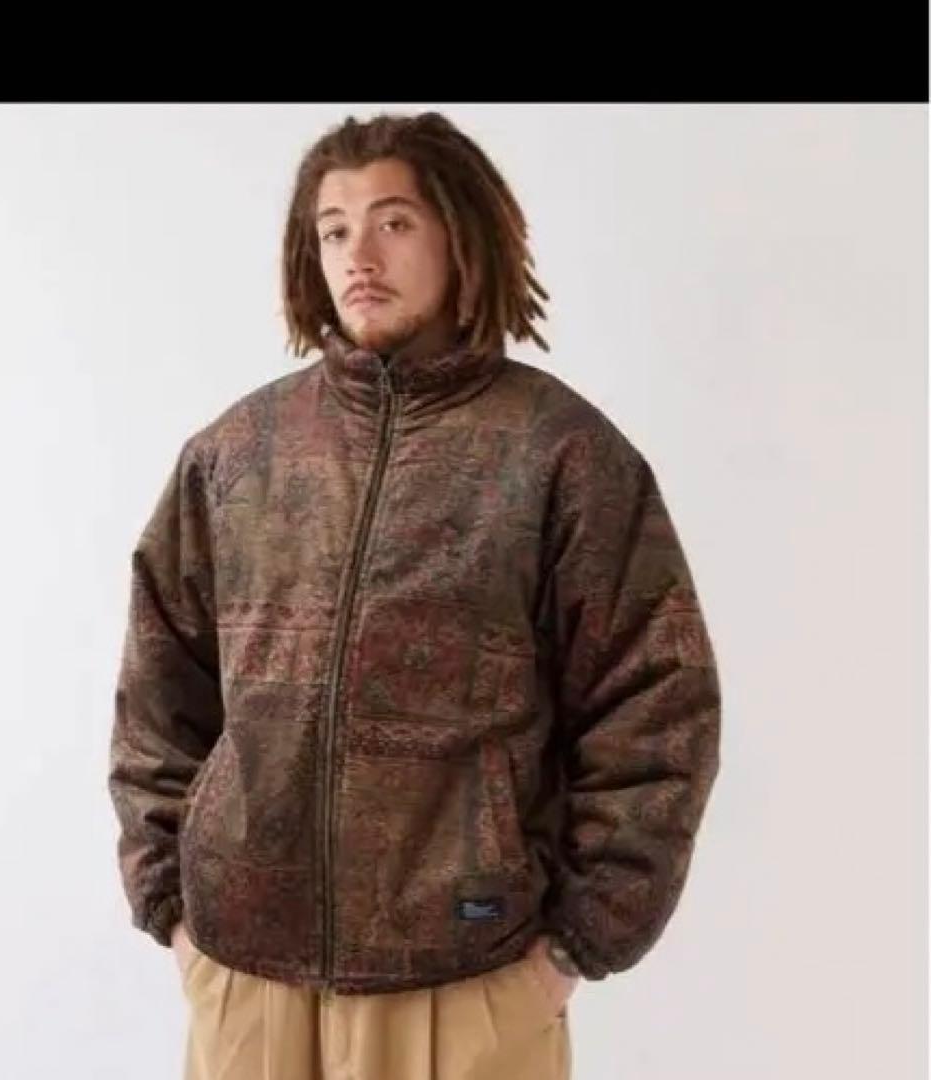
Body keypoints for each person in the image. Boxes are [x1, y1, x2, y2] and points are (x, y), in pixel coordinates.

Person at [107, 110, 722, 1080]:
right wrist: (170, 905)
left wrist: (575, 947)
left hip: (467, 981)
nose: (360, 256)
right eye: (334, 230)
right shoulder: (237, 455)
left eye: (394, 222)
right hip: (246, 978)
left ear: (458, 234)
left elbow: (657, 704)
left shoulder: (561, 455)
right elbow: (158, 688)